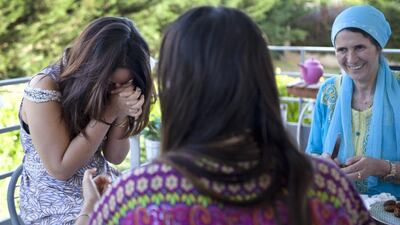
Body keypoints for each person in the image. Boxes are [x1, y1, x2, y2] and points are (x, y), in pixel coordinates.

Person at [77, 6, 374, 225]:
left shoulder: (136, 197)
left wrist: (90, 208)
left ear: (177, 90)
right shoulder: (325, 187)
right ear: (263, 81)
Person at [19, 16, 154, 224]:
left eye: (124, 84)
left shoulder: (112, 94)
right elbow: (60, 169)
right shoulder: (44, 87)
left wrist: (121, 111)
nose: (115, 90)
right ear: (90, 69)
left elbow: (115, 156)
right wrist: (109, 112)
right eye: (110, 83)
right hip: (54, 202)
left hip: (101, 187)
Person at [306, 5, 400, 197]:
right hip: (336, 207)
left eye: (359, 47)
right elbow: (310, 154)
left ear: (378, 47)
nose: (351, 58)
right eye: (341, 50)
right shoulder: (328, 92)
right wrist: (321, 163)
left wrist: (382, 167)